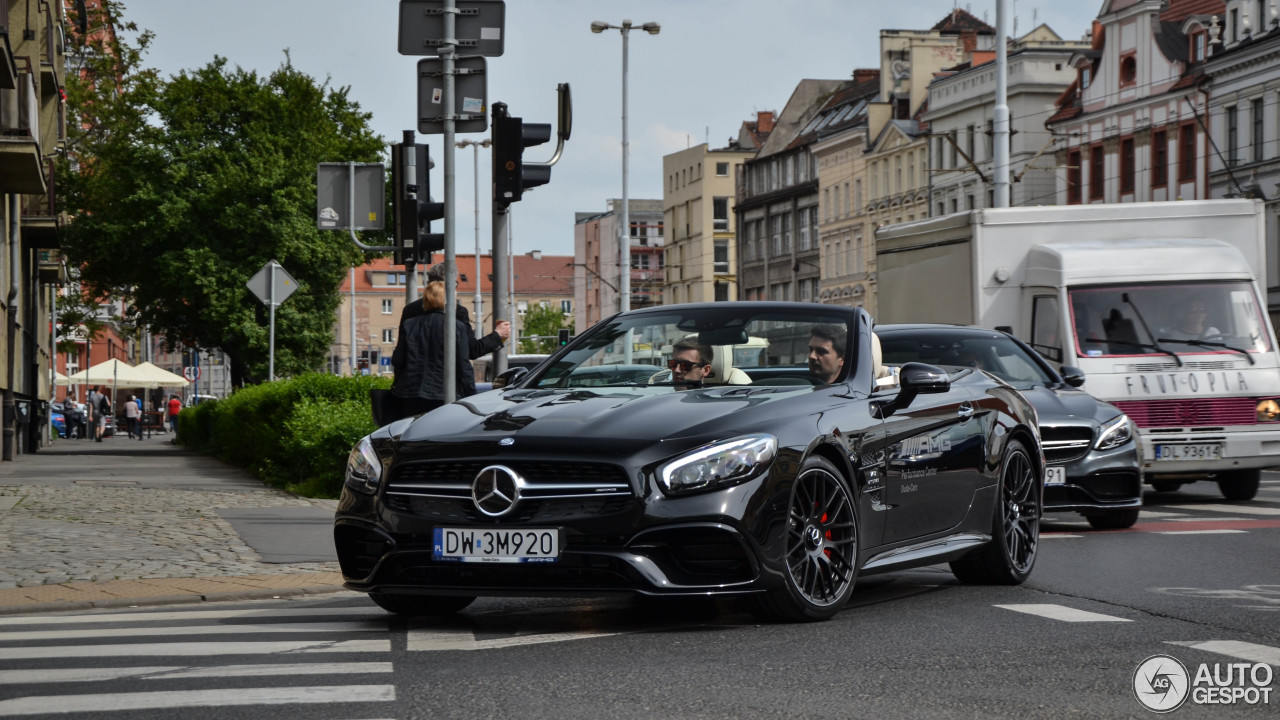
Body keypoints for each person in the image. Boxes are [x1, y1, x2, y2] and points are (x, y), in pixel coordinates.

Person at [390, 280, 477, 419]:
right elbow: (463, 365)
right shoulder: (456, 327)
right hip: (443, 394)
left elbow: (398, 360)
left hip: (410, 393)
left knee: (411, 434)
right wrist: (472, 397)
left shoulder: (409, 325)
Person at [398, 263, 511, 361]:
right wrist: (497, 335)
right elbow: (472, 350)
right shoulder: (457, 312)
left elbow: (400, 355)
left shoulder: (410, 310)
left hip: (413, 381)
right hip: (446, 381)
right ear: (449, 285)